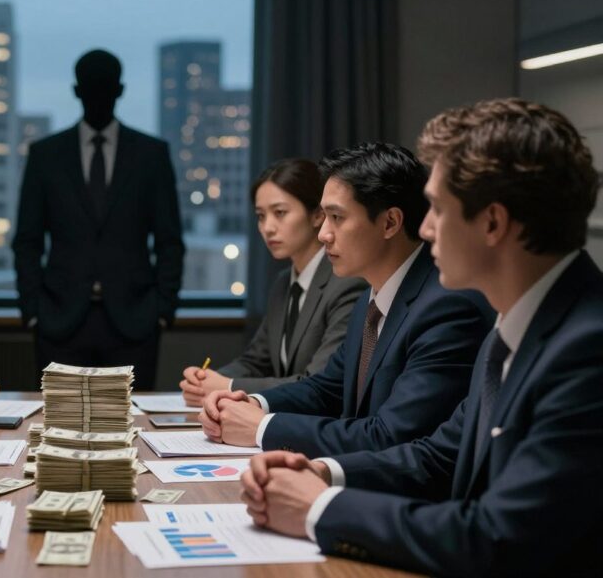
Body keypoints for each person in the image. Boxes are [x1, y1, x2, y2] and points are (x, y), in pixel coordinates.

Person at [240, 98, 602, 576]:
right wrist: (323, 473)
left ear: (492, 222)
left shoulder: (587, 349)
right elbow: (440, 456)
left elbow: (498, 537)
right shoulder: (516, 324)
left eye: (435, 208)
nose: (425, 228)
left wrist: (320, 508)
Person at [200, 142, 493, 456]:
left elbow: (390, 436)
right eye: (324, 217)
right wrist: (252, 403)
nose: (324, 233)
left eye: (337, 218)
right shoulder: (372, 293)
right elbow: (328, 388)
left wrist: (261, 428)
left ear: (390, 222)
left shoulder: (446, 307)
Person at [12, 48, 184, 389]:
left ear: (119, 90)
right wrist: (33, 309)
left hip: (134, 319)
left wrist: (162, 310)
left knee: (131, 426)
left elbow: (170, 240)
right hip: (59, 318)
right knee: (59, 426)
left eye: (105, 86)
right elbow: (27, 240)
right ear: (77, 91)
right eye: (91, 86)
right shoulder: (45, 155)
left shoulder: (151, 154)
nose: (98, 94)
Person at [179, 159, 366, 406]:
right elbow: (257, 361)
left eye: (280, 213)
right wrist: (206, 380)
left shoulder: (345, 282)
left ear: (317, 216)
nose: (267, 228)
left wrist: (228, 386)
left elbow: (319, 382)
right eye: (260, 216)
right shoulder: (282, 283)